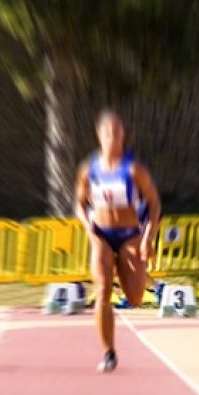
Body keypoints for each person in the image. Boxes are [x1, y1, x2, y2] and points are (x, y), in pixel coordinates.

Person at [73, 110, 162, 372]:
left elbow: (155, 204)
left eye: (117, 131)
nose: (113, 136)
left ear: (124, 136)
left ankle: (126, 276)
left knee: (135, 297)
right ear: (98, 135)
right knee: (102, 292)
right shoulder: (89, 169)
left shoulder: (134, 169)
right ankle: (108, 352)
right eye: (108, 132)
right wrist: (86, 223)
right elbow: (79, 202)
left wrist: (148, 238)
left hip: (129, 235)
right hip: (100, 233)